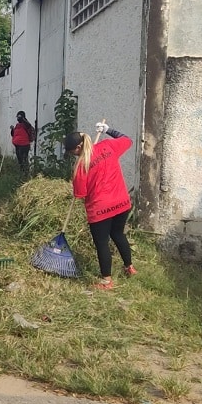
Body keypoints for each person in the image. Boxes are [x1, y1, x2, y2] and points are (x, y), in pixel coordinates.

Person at [65, 122, 135, 289]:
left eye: (71, 151)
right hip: (122, 203)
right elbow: (127, 140)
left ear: (78, 147)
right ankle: (129, 268)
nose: (71, 154)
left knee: (102, 243)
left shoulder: (81, 166)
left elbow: (80, 194)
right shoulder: (108, 145)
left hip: (100, 209)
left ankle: (106, 281)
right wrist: (108, 130)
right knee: (118, 234)